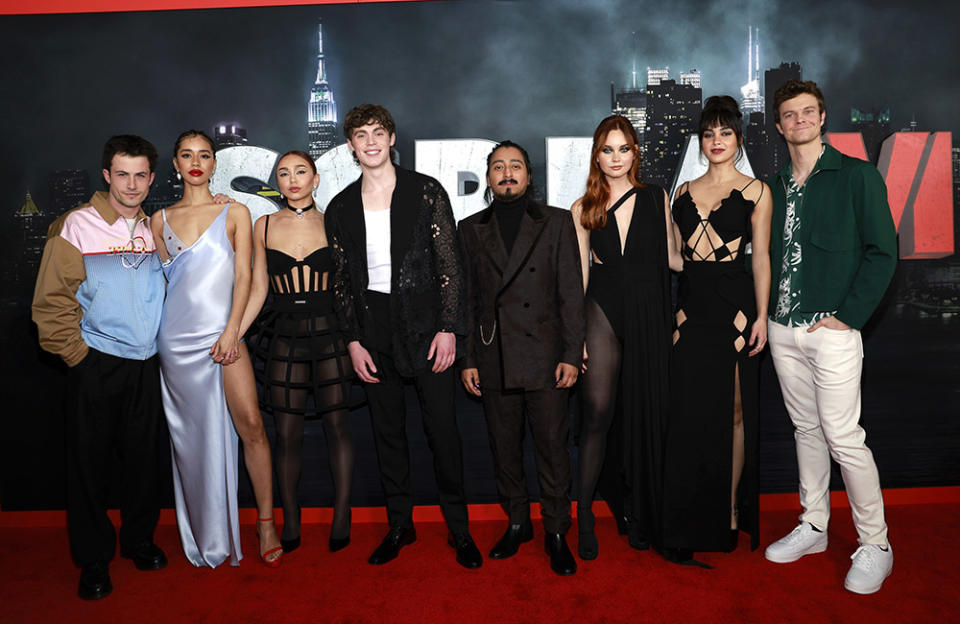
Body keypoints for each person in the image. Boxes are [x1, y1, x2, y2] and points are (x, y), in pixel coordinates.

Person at [324, 104, 482, 569]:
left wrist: (448, 328)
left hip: (426, 323)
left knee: (443, 433)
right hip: (373, 327)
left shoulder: (425, 191)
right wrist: (353, 340)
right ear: (350, 146)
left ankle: (459, 529)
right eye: (360, 135)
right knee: (387, 434)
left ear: (392, 138)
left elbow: (449, 264)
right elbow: (341, 283)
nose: (370, 141)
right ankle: (400, 526)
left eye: (378, 132)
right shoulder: (340, 207)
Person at [762, 80, 897, 595]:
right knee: (805, 431)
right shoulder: (772, 186)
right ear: (778, 126)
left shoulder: (857, 176)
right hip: (782, 327)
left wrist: (848, 317)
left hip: (832, 331)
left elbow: (883, 252)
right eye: (789, 115)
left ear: (823, 118)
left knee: (844, 437)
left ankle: (877, 544)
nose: (799, 121)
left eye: (807, 113)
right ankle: (814, 525)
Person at [33, 135, 168, 600]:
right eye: (122, 174)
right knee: (89, 466)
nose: (131, 184)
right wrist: (80, 358)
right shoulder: (76, 226)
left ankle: (138, 540)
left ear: (151, 179)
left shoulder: (158, 227)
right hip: (97, 362)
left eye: (141, 175)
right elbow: (51, 303)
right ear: (107, 175)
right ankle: (93, 559)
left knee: (144, 462)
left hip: (148, 364)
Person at [153, 130, 282, 568]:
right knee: (190, 439)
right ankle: (203, 529)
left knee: (251, 425)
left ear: (214, 164)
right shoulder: (159, 220)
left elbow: (244, 279)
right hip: (176, 341)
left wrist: (232, 332)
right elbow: (168, 286)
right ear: (175, 163)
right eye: (186, 155)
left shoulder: (235, 211)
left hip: (226, 335)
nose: (195, 162)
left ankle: (266, 522)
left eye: (204, 155)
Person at [458, 141, 584, 575]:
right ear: (488, 178)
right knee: (504, 449)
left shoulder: (556, 222)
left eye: (515, 166)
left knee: (552, 450)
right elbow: (469, 301)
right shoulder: (470, 228)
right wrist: (468, 358)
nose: (507, 173)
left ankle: (555, 531)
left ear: (530, 176)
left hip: (547, 355)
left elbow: (571, 292)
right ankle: (517, 522)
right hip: (494, 356)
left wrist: (572, 353)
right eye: (498, 167)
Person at [660, 95, 772, 561]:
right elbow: (673, 260)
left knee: (735, 414)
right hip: (690, 312)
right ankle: (689, 514)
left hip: (736, 310)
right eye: (709, 134)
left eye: (725, 133)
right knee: (688, 415)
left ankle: (727, 511)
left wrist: (762, 316)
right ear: (700, 141)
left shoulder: (757, 191)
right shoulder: (681, 193)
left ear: (738, 139)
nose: (716, 141)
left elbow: (761, 258)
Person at [571, 115, 683, 560]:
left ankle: (638, 511)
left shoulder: (657, 198)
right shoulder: (583, 209)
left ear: (635, 153)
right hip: (601, 311)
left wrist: (726, 266)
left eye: (623, 149)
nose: (615, 158)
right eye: (607, 150)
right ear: (596, 156)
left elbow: (676, 259)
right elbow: (580, 277)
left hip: (649, 314)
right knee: (597, 412)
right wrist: (574, 337)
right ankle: (583, 514)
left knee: (642, 413)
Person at [239, 150, 356, 554]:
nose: (292, 180)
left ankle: (342, 516)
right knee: (286, 435)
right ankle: (290, 520)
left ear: (316, 179)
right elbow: (258, 288)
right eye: (283, 173)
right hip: (283, 337)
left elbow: (350, 287)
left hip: (332, 335)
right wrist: (234, 333)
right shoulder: (263, 224)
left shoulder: (337, 223)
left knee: (337, 426)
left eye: (300, 172)